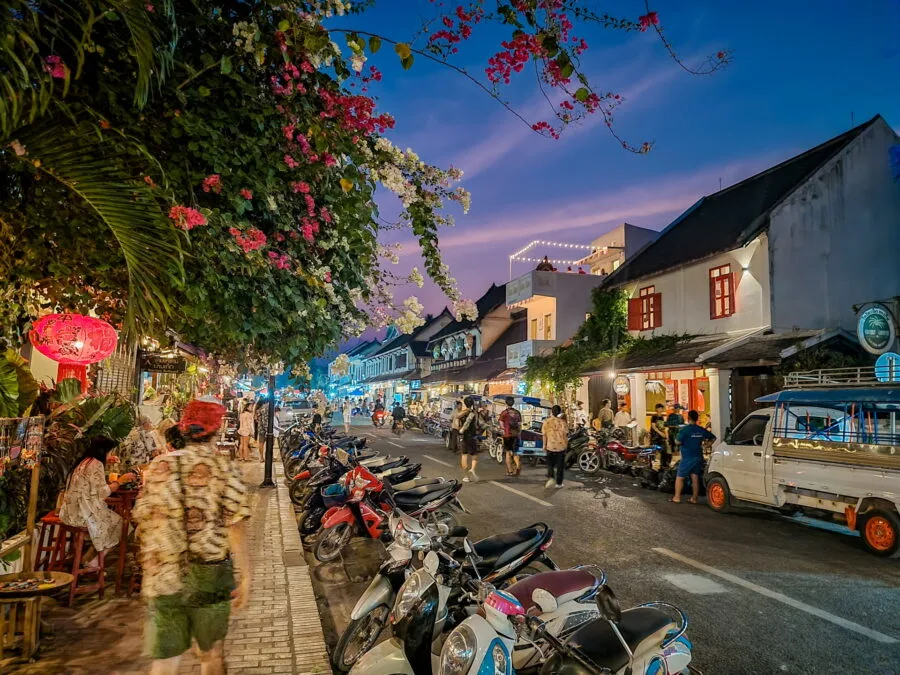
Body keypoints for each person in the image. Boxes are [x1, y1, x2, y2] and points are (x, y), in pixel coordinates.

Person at [134, 397, 251, 675]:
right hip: (208, 575)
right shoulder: (225, 469)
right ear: (217, 428)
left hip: (162, 575)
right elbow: (235, 528)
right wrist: (246, 576)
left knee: (164, 661)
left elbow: (141, 523)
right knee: (210, 656)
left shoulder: (158, 467)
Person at [59, 436, 136, 565]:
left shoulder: (84, 462)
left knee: (111, 523)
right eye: (109, 452)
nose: (110, 454)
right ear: (103, 451)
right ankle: (95, 562)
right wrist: (120, 481)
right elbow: (102, 492)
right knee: (122, 526)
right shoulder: (96, 464)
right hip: (82, 515)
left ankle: (86, 560)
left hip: (69, 513)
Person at [671, 410, 716, 504]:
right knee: (695, 478)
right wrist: (706, 445)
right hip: (698, 457)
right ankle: (694, 498)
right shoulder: (700, 429)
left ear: (688, 418)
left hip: (687, 457)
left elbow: (677, 442)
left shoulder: (685, 430)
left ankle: (676, 497)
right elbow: (713, 438)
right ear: (697, 419)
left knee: (680, 477)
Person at [542, 405, 568, 489]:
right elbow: (565, 436)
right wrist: (566, 445)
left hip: (550, 446)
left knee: (550, 464)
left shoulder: (546, 422)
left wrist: (544, 445)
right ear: (560, 412)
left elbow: (544, 435)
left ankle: (551, 477)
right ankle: (559, 483)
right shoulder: (563, 423)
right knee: (560, 466)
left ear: (552, 412)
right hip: (561, 447)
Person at [499, 396, 523, 477]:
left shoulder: (504, 413)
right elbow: (520, 425)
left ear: (506, 403)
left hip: (507, 435)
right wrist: (519, 433)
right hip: (516, 435)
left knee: (508, 453)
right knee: (515, 452)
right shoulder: (517, 413)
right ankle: (518, 465)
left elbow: (501, 424)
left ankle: (510, 470)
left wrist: (502, 430)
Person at [458, 397, 480, 482]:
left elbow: (457, 419)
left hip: (464, 436)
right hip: (473, 436)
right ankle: (473, 468)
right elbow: (479, 423)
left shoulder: (462, 413)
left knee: (464, 455)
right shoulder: (474, 413)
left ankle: (466, 476)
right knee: (474, 454)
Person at [649, 403, 670, 468]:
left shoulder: (662, 417)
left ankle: (663, 465)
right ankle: (650, 465)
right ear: (656, 409)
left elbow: (662, 427)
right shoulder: (654, 417)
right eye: (659, 408)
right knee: (652, 451)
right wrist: (660, 433)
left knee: (664, 451)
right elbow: (653, 427)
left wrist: (665, 434)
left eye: (661, 408)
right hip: (655, 437)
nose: (660, 409)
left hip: (661, 437)